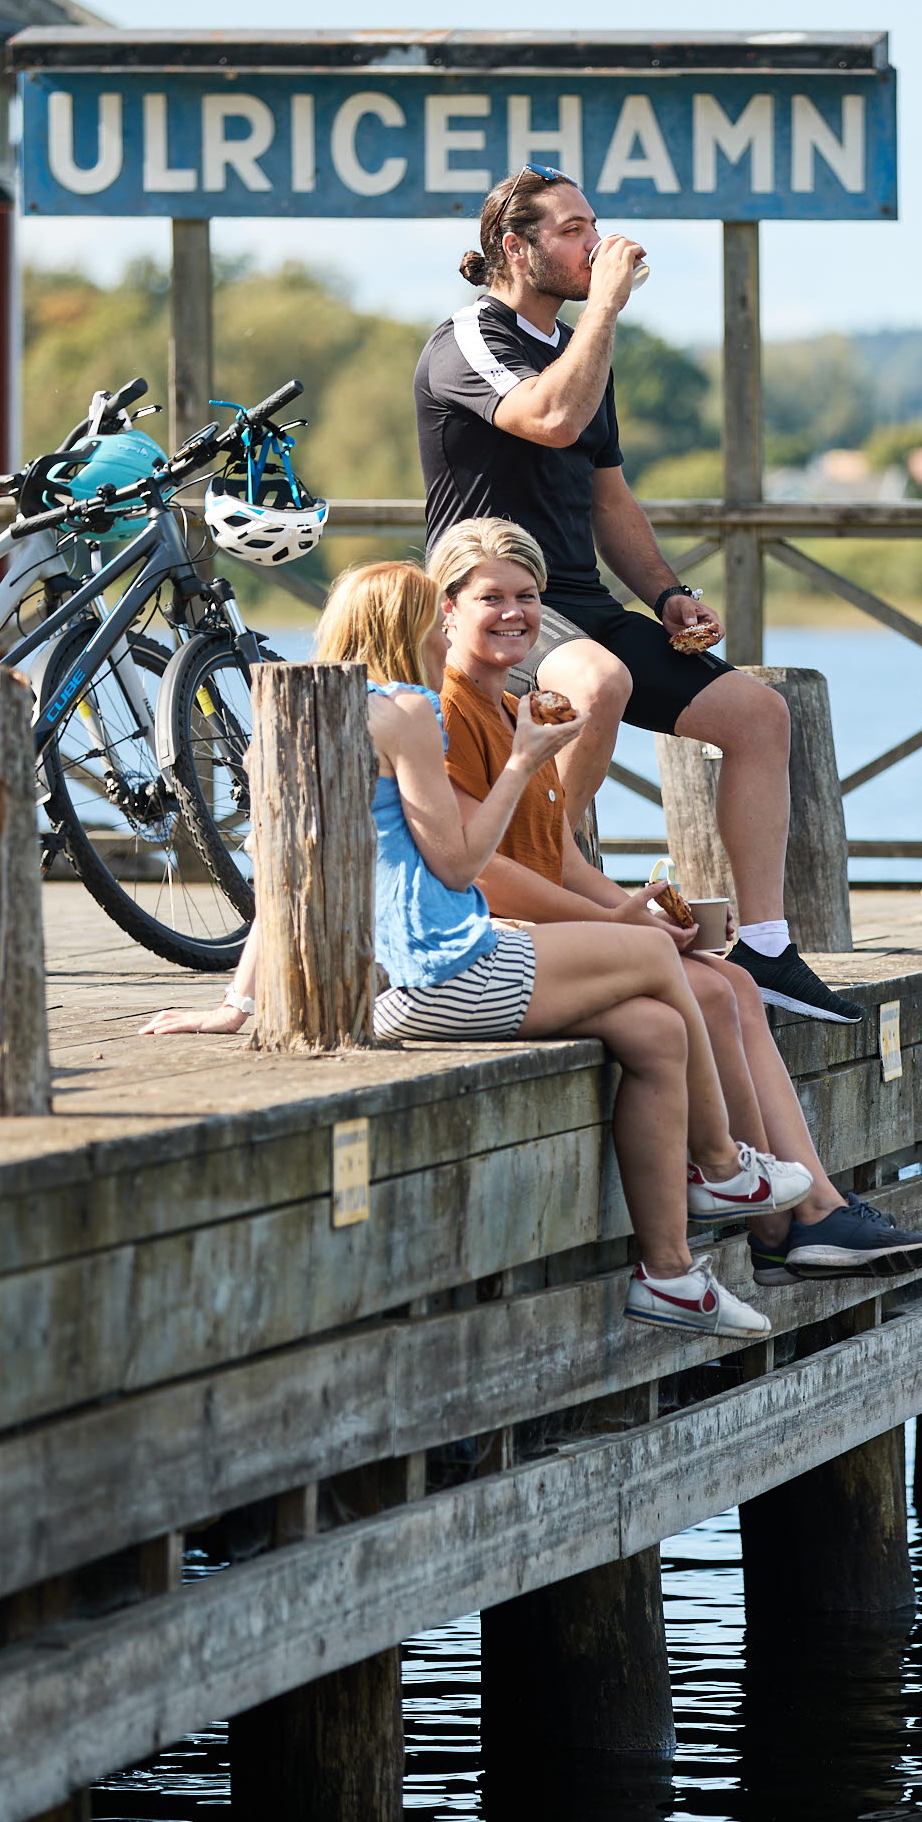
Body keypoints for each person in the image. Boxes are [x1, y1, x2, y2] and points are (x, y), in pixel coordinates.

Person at [139, 560, 815, 1337]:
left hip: (389, 987)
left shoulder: (300, 720)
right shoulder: (406, 711)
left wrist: (239, 1003)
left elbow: (288, 878)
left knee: (657, 1031)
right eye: (438, 614)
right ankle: (723, 1167)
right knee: (663, 960)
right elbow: (460, 865)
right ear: (408, 626)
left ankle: (671, 1277)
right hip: (445, 971)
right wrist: (525, 759)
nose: (448, 630)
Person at [428, 517, 922, 1286]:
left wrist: (643, 909)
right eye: (491, 598)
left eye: (528, 597)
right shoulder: (447, 712)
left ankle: (807, 1209)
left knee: (732, 979)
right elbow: (486, 872)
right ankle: (787, 1221)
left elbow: (556, 855)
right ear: (447, 609)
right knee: (707, 989)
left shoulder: (516, 708)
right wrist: (617, 924)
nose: (514, 614)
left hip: (553, 929)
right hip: (494, 940)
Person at [414, 163, 865, 1026]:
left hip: (581, 603)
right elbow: (548, 420)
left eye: (594, 225)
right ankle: (548, 883)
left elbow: (610, 497)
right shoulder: (467, 338)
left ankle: (766, 946)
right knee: (598, 684)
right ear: (516, 247)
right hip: (492, 605)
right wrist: (607, 311)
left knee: (759, 716)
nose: (600, 243)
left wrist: (667, 596)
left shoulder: (582, 350)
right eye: (574, 229)